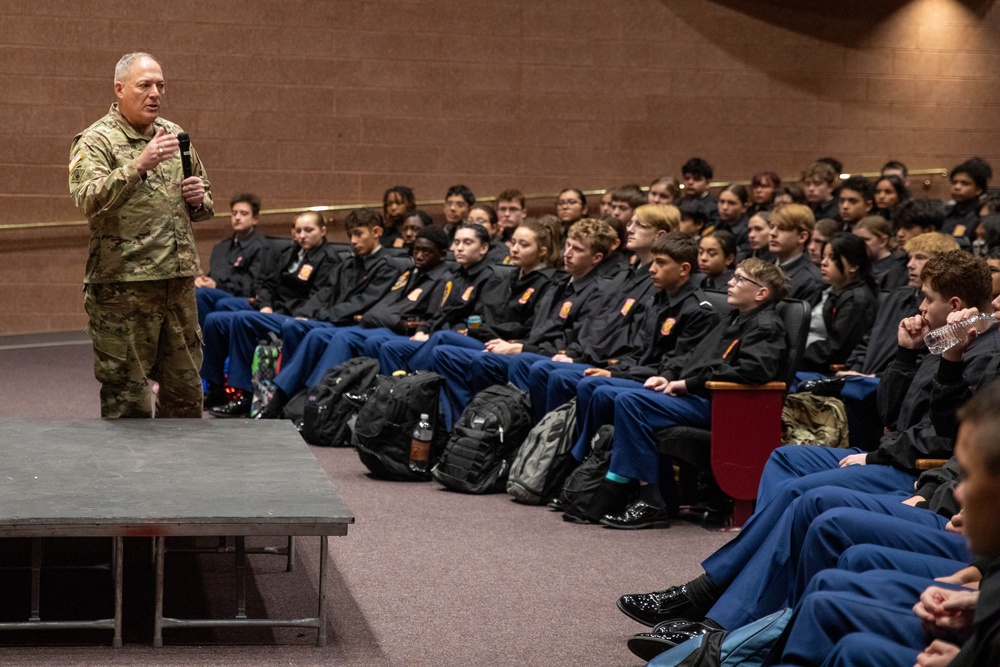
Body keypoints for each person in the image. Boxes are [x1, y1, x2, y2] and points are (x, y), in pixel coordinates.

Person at [569, 257, 789, 528]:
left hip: (725, 406)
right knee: (619, 397)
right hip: (701, 397)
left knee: (632, 402)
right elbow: (695, 359)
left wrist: (687, 384)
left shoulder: (766, 326)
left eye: (740, 279)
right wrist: (669, 377)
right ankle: (638, 492)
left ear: (761, 293)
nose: (730, 283)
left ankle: (643, 498)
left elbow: (752, 372)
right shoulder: (735, 317)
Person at [70, 52, 214, 418]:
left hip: (177, 285)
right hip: (123, 288)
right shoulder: (95, 140)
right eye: (145, 85)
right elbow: (87, 198)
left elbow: (203, 200)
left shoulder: (173, 135)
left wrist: (200, 198)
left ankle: (178, 475)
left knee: (186, 394)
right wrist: (138, 166)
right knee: (128, 399)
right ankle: (129, 477)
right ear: (119, 89)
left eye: (160, 86)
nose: (155, 94)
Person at [799, 233, 879, 374]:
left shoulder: (856, 300)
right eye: (823, 256)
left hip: (821, 370)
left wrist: (794, 356)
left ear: (853, 266)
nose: (823, 262)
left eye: (833, 258)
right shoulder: (829, 288)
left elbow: (835, 349)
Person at [194, 192, 269, 330]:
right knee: (195, 289)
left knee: (203, 294)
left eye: (243, 213)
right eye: (234, 213)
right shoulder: (221, 247)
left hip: (244, 298)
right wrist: (203, 280)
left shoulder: (262, 247)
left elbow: (251, 285)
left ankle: (205, 345)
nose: (237, 218)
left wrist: (216, 286)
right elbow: (215, 275)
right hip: (219, 294)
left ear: (255, 219)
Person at [768, 203, 823, 306]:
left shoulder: (811, 280)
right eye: (772, 227)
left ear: (802, 237)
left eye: (782, 228)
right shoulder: (765, 268)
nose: (772, 233)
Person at [854, 215, 908, 290]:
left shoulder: (896, 269)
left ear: (883, 241)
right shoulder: (857, 266)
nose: (859, 244)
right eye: (856, 240)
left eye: (865, 240)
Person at [680, 157, 719, 228]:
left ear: (707, 183)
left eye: (696, 179)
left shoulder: (715, 207)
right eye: (687, 178)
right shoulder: (677, 203)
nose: (690, 182)